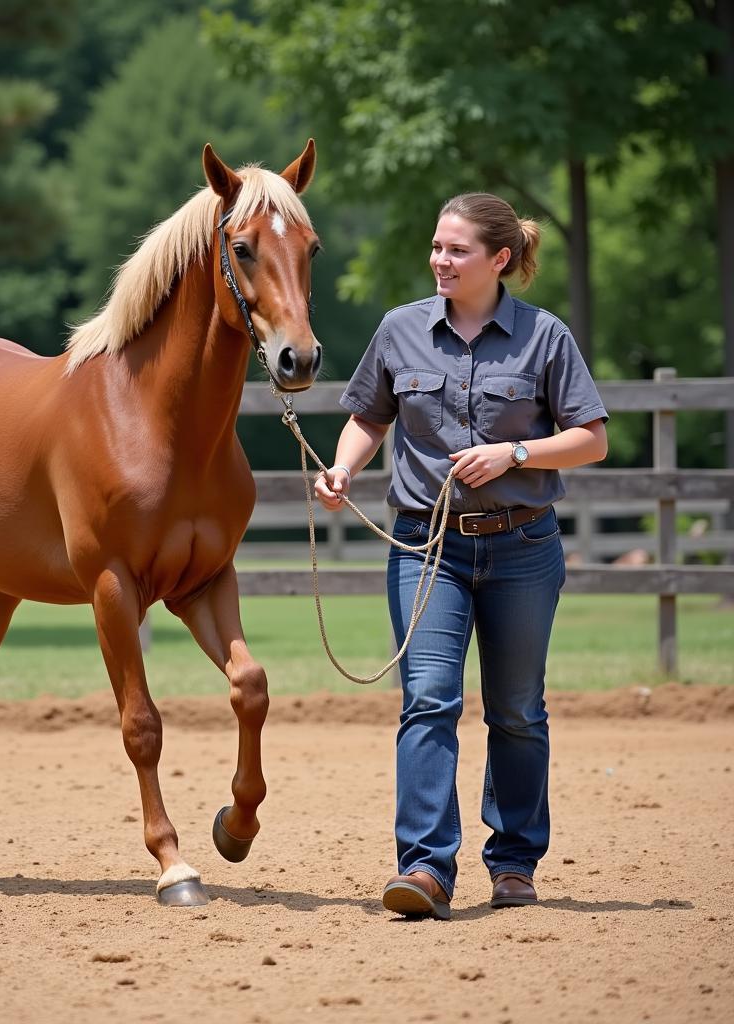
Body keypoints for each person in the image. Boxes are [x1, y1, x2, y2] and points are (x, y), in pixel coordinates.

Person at [315, 192, 608, 920]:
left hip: (523, 547)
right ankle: (424, 868)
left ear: (499, 259)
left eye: (456, 250)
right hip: (425, 547)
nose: (439, 260)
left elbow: (591, 439)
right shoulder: (399, 330)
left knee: (515, 711)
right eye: (437, 248)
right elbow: (368, 417)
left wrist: (514, 451)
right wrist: (344, 468)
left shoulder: (544, 337)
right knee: (428, 700)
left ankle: (513, 866)